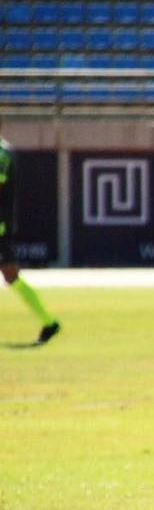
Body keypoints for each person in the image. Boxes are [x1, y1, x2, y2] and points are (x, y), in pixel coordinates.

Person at [0, 124, 60, 345]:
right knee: (11, 275)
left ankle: (49, 322)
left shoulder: (2, 153)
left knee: (11, 275)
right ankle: (49, 322)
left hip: (0, 226)